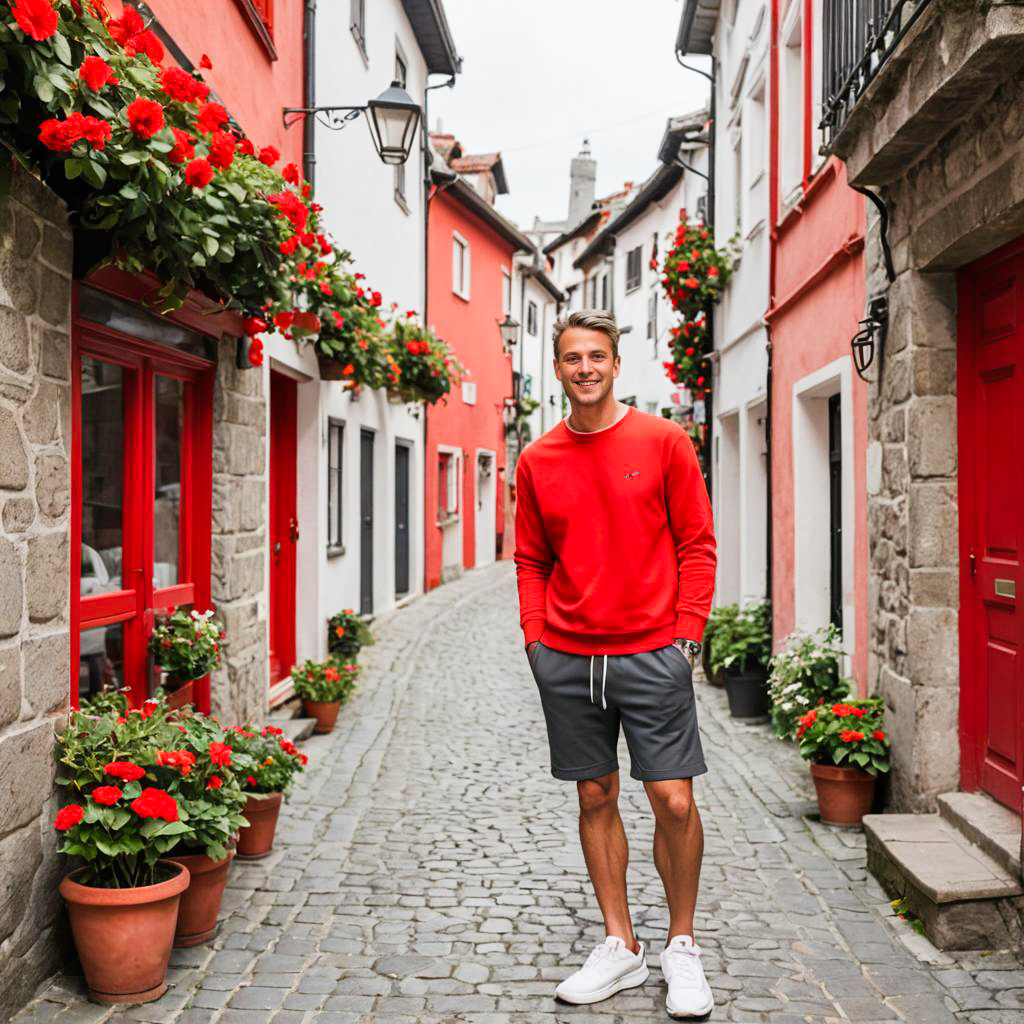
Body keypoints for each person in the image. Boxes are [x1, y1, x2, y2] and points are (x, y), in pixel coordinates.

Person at [514, 309, 717, 1018]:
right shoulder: (538, 459)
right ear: (559, 368)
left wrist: (686, 640)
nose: (585, 368)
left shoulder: (663, 441)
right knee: (594, 796)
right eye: (571, 358)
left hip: (653, 652)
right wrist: (536, 641)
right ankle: (621, 943)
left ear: (614, 362)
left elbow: (697, 544)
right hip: (568, 659)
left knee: (674, 800)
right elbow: (531, 558)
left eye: (596, 355)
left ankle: (682, 946)